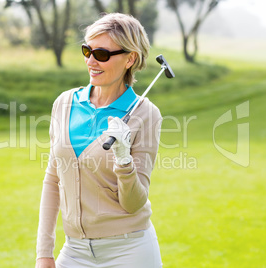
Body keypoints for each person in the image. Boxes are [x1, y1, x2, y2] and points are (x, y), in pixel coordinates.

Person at [36, 13, 163, 268]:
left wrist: (124, 159)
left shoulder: (146, 114)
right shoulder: (65, 103)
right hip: (74, 251)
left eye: (102, 54)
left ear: (130, 58)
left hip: (129, 250)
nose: (91, 61)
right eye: (87, 51)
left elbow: (134, 203)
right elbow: (53, 179)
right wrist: (44, 253)